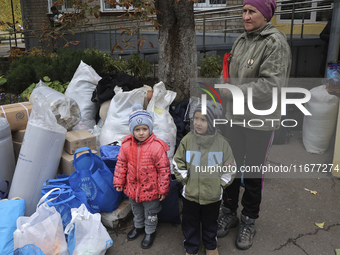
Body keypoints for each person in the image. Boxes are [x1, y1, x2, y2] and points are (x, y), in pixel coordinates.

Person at [217, 0, 292, 250]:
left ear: (266, 15)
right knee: (230, 167)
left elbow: (272, 85)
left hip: (260, 121)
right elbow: (227, 72)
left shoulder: (275, 43)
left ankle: (249, 220)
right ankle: (228, 211)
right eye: (244, 11)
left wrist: (234, 91)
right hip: (235, 118)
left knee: (252, 173)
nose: (245, 17)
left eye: (252, 12)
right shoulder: (242, 40)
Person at [173, 101, 236, 255]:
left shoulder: (222, 144)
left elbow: (230, 167)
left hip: (212, 196)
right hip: (190, 195)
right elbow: (177, 162)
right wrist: (185, 181)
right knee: (190, 223)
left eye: (203, 120)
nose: (198, 123)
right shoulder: (187, 140)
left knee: (210, 223)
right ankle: (191, 247)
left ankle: (210, 246)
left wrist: (220, 185)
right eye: (196, 118)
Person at [113, 104, 171, 249]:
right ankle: (138, 227)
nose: (141, 133)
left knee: (151, 212)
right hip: (133, 189)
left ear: (150, 129)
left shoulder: (157, 147)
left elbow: (164, 170)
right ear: (132, 130)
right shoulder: (126, 145)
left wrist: (163, 189)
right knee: (136, 210)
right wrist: (119, 181)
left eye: (144, 129)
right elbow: (121, 164)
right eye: (137, 129)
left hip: (151, 190)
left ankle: (150, 231)